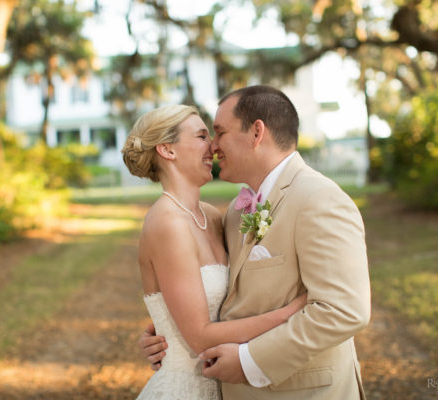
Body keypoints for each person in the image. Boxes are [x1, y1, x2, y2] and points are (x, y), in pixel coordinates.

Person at [139, 85, 371, 400]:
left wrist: (250, 362)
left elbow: (344, 311)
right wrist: (169, 331)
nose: (213, 146)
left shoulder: (320, 199)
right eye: (206, 135)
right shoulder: (234, 212)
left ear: (256, 133)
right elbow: (222, 296)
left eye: (219, 132)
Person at [121, 104, 307, 400]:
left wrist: (160, 328)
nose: (213, 146)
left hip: (229, 386)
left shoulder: (215, 216)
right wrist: (291, 312)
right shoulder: (166, 223)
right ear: (168, 150)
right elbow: (199, 336)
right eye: (201, 136)